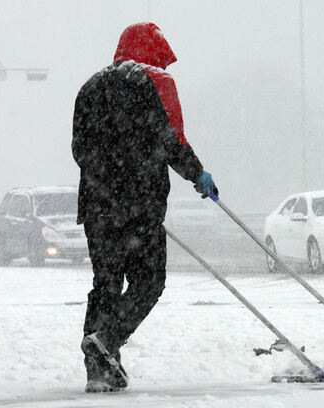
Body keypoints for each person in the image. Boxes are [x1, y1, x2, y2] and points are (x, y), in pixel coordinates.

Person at [72, 22, 217, 393]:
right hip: (140, 207)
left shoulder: (90, 87)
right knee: (149, 282)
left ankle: (98, 368)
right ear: (150, 51)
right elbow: (167, 140)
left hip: (98, 209)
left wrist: (106, 183)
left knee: (105, 284)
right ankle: (108, 340)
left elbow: (79, 149)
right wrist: (197, 174)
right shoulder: (144, 84)